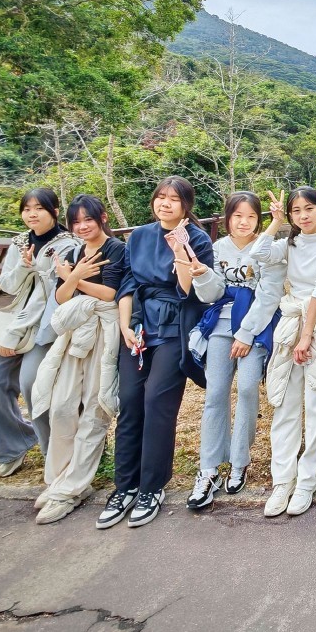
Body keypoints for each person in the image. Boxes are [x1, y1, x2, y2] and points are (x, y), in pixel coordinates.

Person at [96, 176, 222, 529]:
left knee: (156, 401)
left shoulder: (198, 238)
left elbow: (187, 290)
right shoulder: (138, 236)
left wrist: (180, 247)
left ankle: (152, 487)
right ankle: (125, 486)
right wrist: (125, 327)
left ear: (186, 205)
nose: (165, 203)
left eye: (173, 199)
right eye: (161, 197)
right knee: (130, 400)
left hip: (175, 325)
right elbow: (128, 285)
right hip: (139, 323)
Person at [252, 187, 316, 517]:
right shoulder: (289, 244)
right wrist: (275, 222)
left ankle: (307, 480)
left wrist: (306, 336)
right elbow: (258, 253)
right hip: (291, 323)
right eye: (296, 211)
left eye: (309, 208)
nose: (303, 215)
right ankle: (283, 480)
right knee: (285, 403)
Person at [30, 195, 126, 524]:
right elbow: (61, 297)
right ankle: (59, 480)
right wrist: (72, 277)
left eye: (88, 219)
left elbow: (111, 294)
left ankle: (73, 488)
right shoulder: (73, 252)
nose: (82, 226)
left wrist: (76, 277)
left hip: (103, 333)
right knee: (61, 407)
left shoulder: (116, 250)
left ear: (102, 218)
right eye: (76, 222)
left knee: (95, 411)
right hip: (75, 333)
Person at [0, 187, 80, 477]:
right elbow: (8, 286)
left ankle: (55, 454)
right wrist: (23, 266)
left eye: (39, 208)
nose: (32, 214)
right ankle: (14, 443)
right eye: (27, 209)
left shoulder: (68, 245)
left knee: (33, 383)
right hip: (16, 323)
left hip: (46, 326)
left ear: (55, 211)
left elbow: (46, 298)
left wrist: (13, 334)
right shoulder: (20, 242)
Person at [186, 192, 283, 510]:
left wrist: (246, 334)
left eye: (251, 216)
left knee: (247, 390)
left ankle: (239, 462)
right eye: (237, 216)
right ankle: (209, 468)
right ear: (227, 217)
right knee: (215, 394)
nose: (244, 222)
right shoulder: (218, 249)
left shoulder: (266, 249)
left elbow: (269, 295)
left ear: (259, 219)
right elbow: (212, 294)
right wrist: (202, 275)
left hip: (256, 327)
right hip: (220, 325)